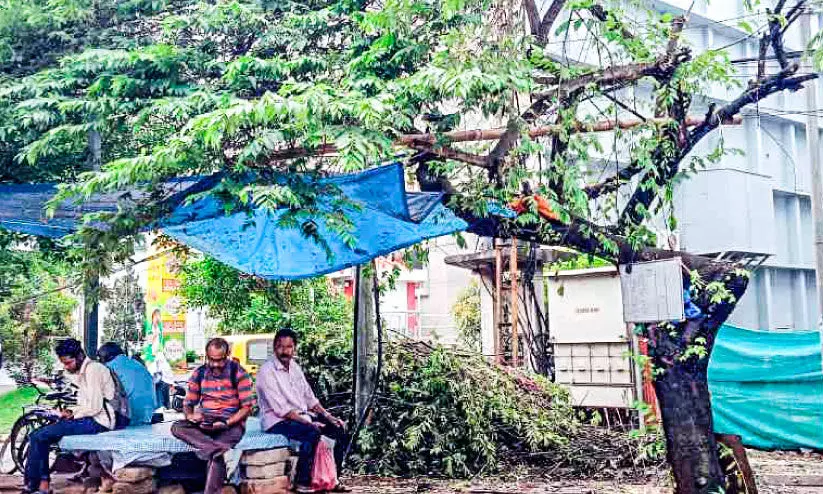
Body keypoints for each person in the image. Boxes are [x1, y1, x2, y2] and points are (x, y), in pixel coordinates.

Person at [257, 328, 350, 494]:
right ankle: (303, 482)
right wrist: (309, 422)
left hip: (301, 417)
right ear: (274, 347)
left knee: (338, 429)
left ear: (294, 348)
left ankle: (333, 480)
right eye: (280, 347)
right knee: (311, 433)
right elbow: (282, 410)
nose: (284, 351)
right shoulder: (266, 372)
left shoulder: (295, 368)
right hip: (276, 421)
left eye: (288, 347)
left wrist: (329, 417)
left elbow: (309, 398)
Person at [24, 339, 118, 494]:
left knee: (38, 436)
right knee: (37, 435)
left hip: (99, 422)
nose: (66, 367)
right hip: (91, 418)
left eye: (68, 363)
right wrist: (69, 412)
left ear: (80, 356)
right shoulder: (84, 371)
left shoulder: (94, 370)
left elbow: (95, 407)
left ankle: (40, 486)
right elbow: (86, 403)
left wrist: (73, 415)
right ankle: (36, 485)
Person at [171, 338, 255, 494]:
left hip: (231, 423)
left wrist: (227, 422)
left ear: (227, 355)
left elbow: (247, 408)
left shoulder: (238, 372)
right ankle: (217, 450)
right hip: (206, 421)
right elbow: (188, 403)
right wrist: (190, 415)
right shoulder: (199, 373)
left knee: (214, 459)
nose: (215, 364)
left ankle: (214, 457)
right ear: (206, 356)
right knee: (177, 427)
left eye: (220, 360)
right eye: (211, 360)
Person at [98, 342, 156, 426]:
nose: (100, 361)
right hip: (147, 415)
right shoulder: (136, 363)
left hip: (128, 417)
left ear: (107, 356)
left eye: (100, 358)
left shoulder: (109, 367)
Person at [143, 308, 174, 409]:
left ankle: (170, 389)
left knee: (167, 371)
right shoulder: (149, 325)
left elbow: (160, 341)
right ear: (153, 316)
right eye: (157, 315)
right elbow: (149, 341)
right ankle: (154, 402)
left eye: (160, 316)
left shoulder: (159, 326)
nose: (159, 318)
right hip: (151, 354)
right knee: (152, 375)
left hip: (159, 353)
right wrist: (155, 335)